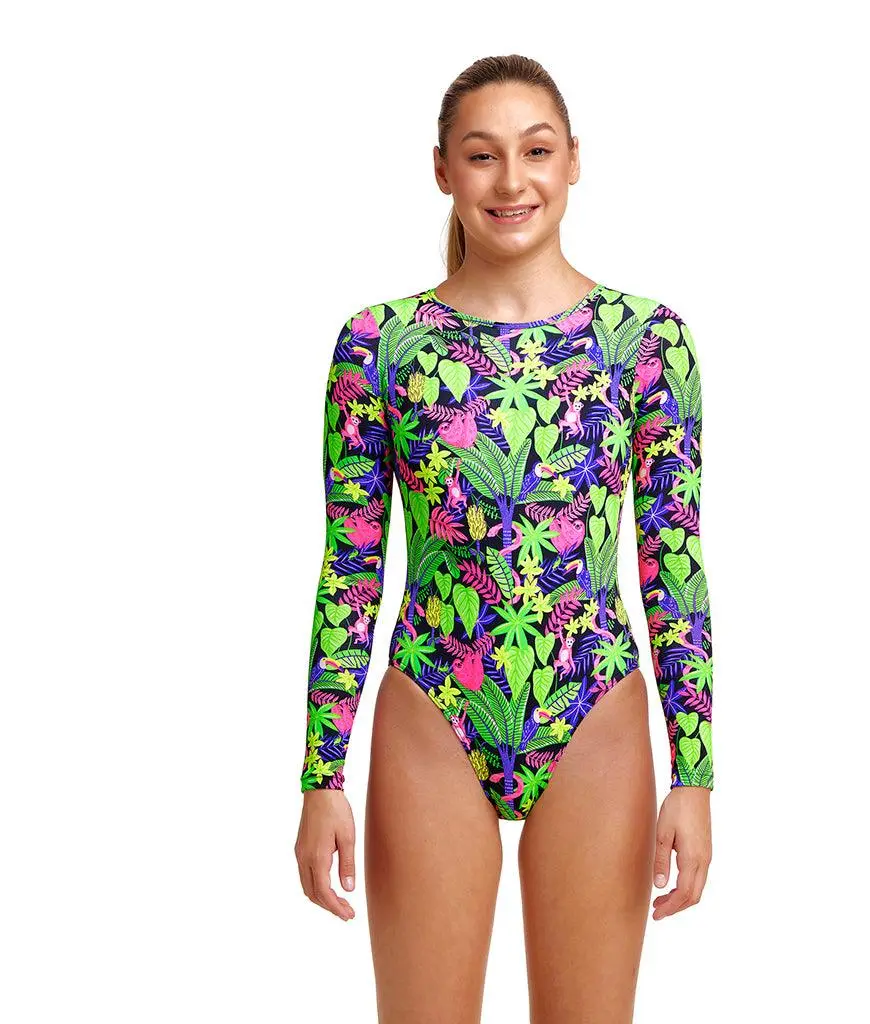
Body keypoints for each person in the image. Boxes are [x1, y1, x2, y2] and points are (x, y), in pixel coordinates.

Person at [294, 54, 714, 1024]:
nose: (511, 180)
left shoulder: (645, 342)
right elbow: (350, 569)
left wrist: (694, 774)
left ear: (574, 162)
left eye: (536, 151)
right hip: (433, 707)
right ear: (442, 169)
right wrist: (321, 776)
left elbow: (674, 561)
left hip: (592, 706)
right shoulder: (379, 346)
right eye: (482, 155)